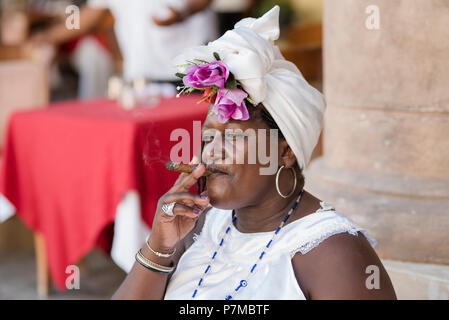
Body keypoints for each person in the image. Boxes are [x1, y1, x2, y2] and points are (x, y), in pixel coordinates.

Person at [112, 6, 397, 300]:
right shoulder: (199, 226)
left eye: (233, 137)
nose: (212, 152)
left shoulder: (334, 253)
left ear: (285, 152)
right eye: (209, 136)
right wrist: (158, 246)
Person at [29, 0, 217, 86]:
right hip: (141, 78)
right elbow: (89, 16)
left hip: (192, 76)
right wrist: (47, 36)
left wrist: (182, 15)